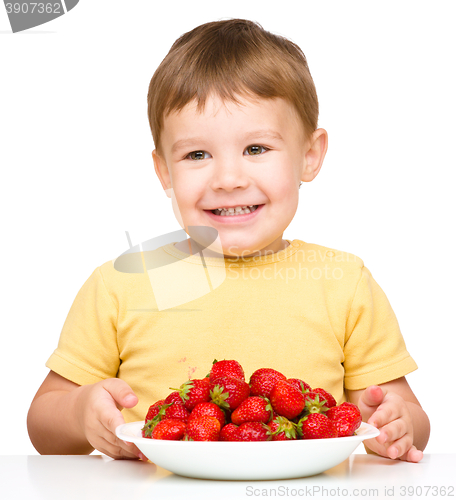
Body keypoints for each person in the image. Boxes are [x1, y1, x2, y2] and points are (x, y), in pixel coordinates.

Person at [27, 18, 430, 463]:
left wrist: (396, 422)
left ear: (310, 156)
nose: (229, 179)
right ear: (165, 172)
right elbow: (43, 423)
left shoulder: (343, 282)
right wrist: (81, 412)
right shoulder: (120, 284)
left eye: (256, 149)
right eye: (197, 155)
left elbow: (406, 415)